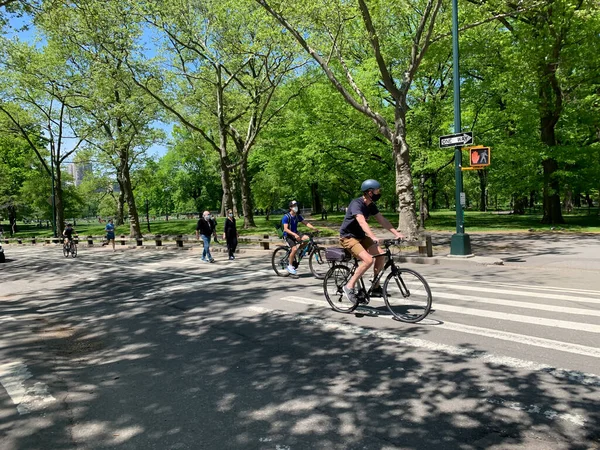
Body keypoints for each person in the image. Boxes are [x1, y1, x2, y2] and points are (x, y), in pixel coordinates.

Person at [339, 179, 404, 302]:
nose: (379, 193)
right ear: (370, 192)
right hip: (348, 237)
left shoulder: (371, 205)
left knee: (380, 255)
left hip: (361, 237)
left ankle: (375, 287)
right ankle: (349, 286)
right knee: (368, 260)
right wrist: (373, 236)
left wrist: (396, 233)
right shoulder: (356, 204)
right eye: (377, 191)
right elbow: (361, 221)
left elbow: (382, 220)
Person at [282, 200, 319, 275]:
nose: (296, 207)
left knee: (307, 238)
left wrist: (314, 228)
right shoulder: (286, 217)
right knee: (294, 249)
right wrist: (294, 235)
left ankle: (299, 251)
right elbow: (285, 229)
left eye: (296, 205)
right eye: (294, 206)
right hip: (288, 235)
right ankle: (290, 266)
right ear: (290, 207)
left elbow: (306, 223)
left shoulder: (297, 216)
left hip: (296, 232)